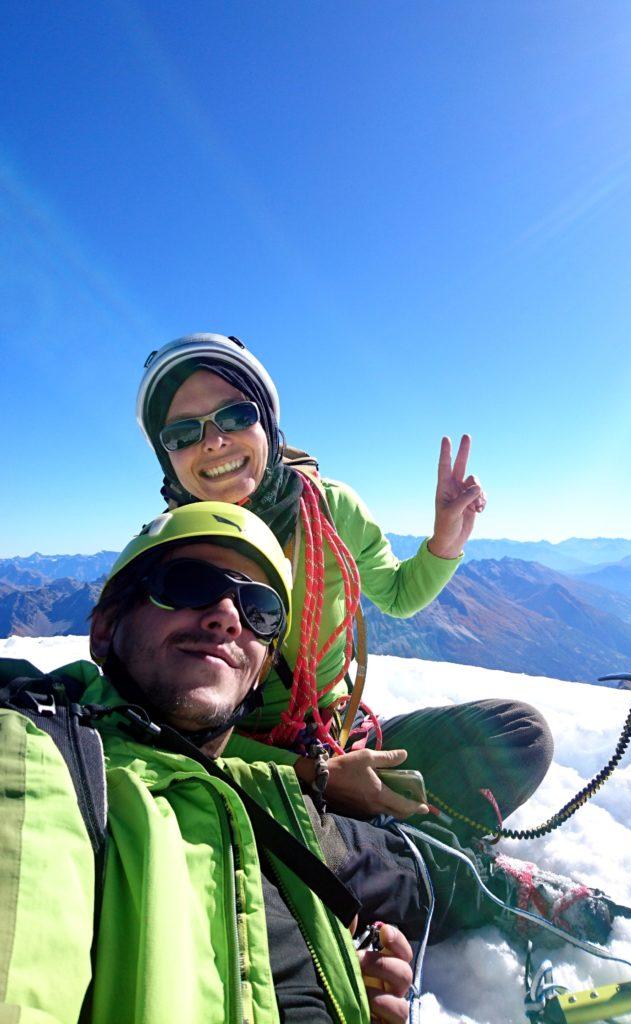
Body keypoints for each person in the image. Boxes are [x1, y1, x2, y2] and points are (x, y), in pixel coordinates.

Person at [0, 502, 419, 1024]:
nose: (226, 615)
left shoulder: (271, 795)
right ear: (105, 628)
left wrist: (335, 986)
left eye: (259, 610)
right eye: (188, 582)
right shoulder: (46, 757)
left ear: (263, 668)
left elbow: (418, 880)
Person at [136, 334, 553, 832]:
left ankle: (391, 852)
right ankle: (400, 857)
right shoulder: (165, 560)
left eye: (234, 416)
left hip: (336, 734)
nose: (212, 440)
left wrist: (444, 541)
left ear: (266, 421)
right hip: (244, 767)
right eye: (182, 433)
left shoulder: (330, 508)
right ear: (168, 459)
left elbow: (398, 596)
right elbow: (171, 732)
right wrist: (315, 777)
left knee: (521, 734)